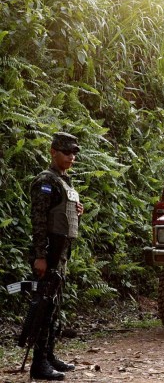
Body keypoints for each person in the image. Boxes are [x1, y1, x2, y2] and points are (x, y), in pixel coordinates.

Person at [26, 132, 84, 380]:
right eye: (66, 152)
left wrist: (77, 210)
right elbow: (39, 221)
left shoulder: (64, 182)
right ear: (53, 152)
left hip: (61, 253)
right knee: (43, 307)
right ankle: (38, 364)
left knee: (53, 306)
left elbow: (61, 214)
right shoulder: (45, 181)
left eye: (73, 153)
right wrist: (40, 255)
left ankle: (49, 355)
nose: (71, 157)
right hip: (48, 251)